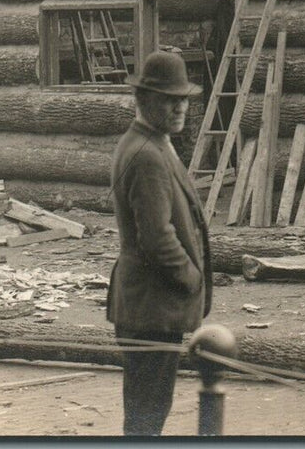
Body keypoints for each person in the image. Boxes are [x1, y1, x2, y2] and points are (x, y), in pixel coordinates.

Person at [108, 50, 211, 436]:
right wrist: (191, 278)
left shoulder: (152, 142)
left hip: (149, 306)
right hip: (150, 307)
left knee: (148, 412)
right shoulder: (146, 154)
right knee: (146, 417)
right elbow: (157, 237)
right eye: (171, 99)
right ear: (144, 99)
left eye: (183, 99)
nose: (180, 107)